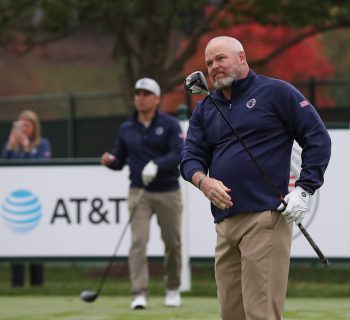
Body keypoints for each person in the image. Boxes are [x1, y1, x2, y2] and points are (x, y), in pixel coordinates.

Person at [180, 36, 331, 320]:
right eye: (209, 62)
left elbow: (317, 138)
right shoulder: (206, 108)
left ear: (241, 57)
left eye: (220, 59)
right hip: (225, 223)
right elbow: (189, 157)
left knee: (261, 314)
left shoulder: (276, 92)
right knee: (231, 314)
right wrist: (203, 181)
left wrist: (304, 189)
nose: (214, 67)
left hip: (265, 218)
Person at [101, 77, 184, 310]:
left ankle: (173, 288)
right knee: (138, 242)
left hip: (168, 191)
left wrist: (157, 164)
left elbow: (179, 153)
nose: (140, 97)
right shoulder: (127, 128)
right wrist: (111, 160)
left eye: (146, 94)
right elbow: (120, 159)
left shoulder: (169, 125)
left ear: (156, 99)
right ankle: (139, 293)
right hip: (139, 192)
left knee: (173, 243)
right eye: (138, 93)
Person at [2, 110, 51, 287]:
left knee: (35, 244)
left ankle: (38, 283)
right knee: (17, 242)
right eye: (20, 126)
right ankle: (17, 284)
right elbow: (4, 167)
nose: (23, 130)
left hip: (36, 200)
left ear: (34, 127)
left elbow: (41, 166)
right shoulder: (12, 147)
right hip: (16, 201)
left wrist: (28, 148)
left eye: (27, 126)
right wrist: (10, 145)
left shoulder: (43, 144)